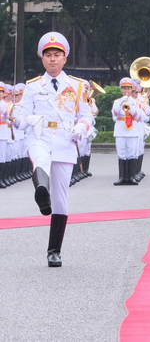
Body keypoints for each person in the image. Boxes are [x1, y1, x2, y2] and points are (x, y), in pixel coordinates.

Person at [11, 32, 94, 267]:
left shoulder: (77, 87)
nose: (52, 59)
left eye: (57, 55)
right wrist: (22, 117)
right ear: (42, 58)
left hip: (66, 142)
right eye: (48, 55)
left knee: (61, 199)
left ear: (65, 58)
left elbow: (88, 116)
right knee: (39, 161)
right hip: (40, 137)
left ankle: (54, 251)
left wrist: (81, 127)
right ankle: (41, 192)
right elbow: (20, 114)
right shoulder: (32, 86)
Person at [112, 77, 141, 185]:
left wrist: (130, 107)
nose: (126, 91)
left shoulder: (136, 102)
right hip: (120, 130)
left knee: (131, 153)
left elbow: (138, 116)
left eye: (128, 89)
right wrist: (121, 104)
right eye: (124, 89)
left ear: (131, 89)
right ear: (121, 90)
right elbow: (114, 115)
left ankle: (131, 177)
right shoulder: (117, 102)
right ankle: (122, 177)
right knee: (122, 153)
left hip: (132, 131)